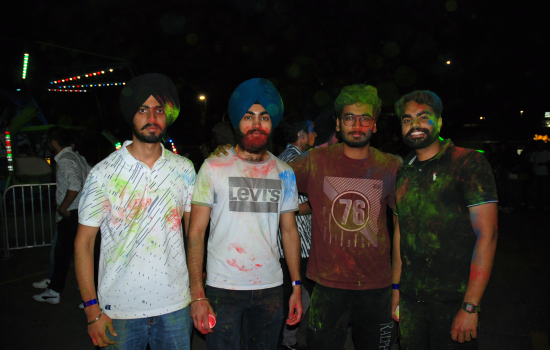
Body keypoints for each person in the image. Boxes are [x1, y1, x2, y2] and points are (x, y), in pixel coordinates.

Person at [74, 73, 196, 349]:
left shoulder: (184, 169)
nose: (152, 117)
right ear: (131, 115)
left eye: (159, 110)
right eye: (143, 109)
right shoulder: (103, 173)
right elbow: (83, 244)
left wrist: (197, 292)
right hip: (119, 310)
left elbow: (194, 233)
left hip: (175, 305)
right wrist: (92, 309)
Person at [187, 78, 303, 350]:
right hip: (221, 286)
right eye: (248, 116)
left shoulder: (284, 171)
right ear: (238, 121)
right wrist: (197, 293)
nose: (256, 124)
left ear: (272, 123)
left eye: (264, 117)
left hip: (270, 287)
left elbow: (289, 231)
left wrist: (296, 285)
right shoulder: (213, 167)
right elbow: (195, 232)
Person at [289, 84, 400, 350]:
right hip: (327, 285)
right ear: (338, 124)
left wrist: (397, 285)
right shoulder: (315, 161)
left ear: (375, 125)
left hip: (378, 286)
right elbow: (270, 178)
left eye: (365, 119)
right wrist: (236, 152)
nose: (357, 125)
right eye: (350, 118)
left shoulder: (391, 166)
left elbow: (402, 228)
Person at [392, 90, 498, 349]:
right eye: (407, 120)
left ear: (439, 122)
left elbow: (488, 235)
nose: (414, 125)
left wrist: (470, 307)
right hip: (410, 300)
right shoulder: (404, 171)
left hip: (453, 302)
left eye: (422, 117)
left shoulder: (467, 162)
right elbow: (399, 233)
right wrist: (396, 290)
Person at [33, 127, 91, 304]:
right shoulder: (77, 157)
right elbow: (90, 175)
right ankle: (86, 295)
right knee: (81, 254)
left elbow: (74, 185)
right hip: (81, 213)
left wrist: (62, 207)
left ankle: (55, 291)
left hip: (70, 214)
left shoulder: (65, 159)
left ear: (54, 142)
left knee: (63, 254)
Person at [277, 113, 316, 350]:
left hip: (291, 244)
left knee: (298, 294)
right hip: (295, 245)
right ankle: (286, 341)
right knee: (300, 294)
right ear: (301, 135)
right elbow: (284, 204)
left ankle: (286, 340)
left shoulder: (283, 158)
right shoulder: (296, 162)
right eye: (311, 130)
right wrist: (315, 205)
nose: (315, 134)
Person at [528, 140, 550, 210]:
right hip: (536, 173)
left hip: (544, 174)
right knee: (535, 190)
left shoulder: (547, 153)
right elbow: (531, 163)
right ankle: (535, 204)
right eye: (539, 144)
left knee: (544, 190)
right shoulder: (534, 153)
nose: (540, 146)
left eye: (541, 144)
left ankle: (544, 205)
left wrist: (543, 163)